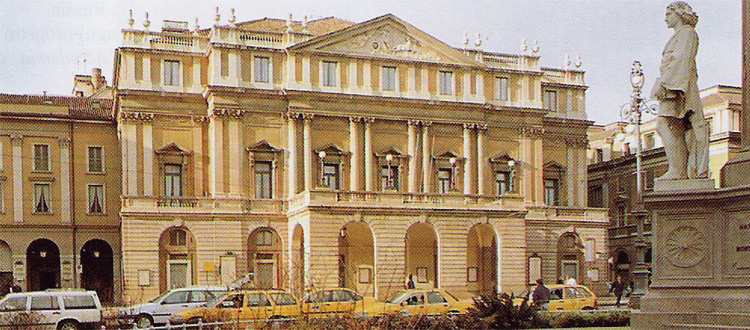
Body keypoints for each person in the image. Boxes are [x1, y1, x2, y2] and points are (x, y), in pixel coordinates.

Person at [651, 1, 709, 180]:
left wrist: (666, 85)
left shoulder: (687, 34)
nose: (665, 18)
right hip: (674, 85)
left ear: (680, 14)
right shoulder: (680, 35)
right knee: (672, 127)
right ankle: (678, 170)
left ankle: (677, 170)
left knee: (664, 125)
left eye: (669, 14)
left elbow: (681, 60)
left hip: (677, 88)